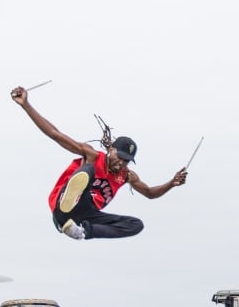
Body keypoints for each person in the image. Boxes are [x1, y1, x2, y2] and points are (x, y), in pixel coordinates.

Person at [10, 86, 187, 240]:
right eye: (120, 157)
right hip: (63, 210)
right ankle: (69, 199)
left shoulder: (126, 176)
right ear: (111, 150)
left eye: (126, 161)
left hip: (86, 216)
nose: (122, 164)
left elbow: (149, 193)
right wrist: (26, 105)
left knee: (136, 225)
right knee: (88, 169)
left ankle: (83, 232)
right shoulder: (92, 155)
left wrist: (172, 183)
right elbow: (55, 134)